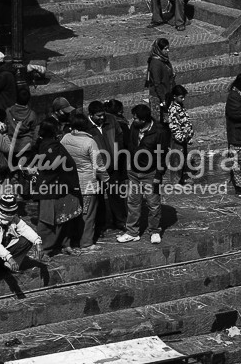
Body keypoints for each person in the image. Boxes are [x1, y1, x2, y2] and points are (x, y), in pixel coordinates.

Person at [0, 185, 49, 298]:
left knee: (27, 240)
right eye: (7, 214)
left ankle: (5, 266)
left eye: (12, 214)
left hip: (4, 247)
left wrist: (38, 242)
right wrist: (9, 257)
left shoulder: (12, 216)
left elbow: (24, 228)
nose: (10, 216)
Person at [117, 103, 170, 244]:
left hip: (150, 173)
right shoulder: (134, 127)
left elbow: (163, 155)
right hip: (134, 171)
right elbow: (130, 145)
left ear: (144, 119)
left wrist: (159, 175)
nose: (133, 120)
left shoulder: (159, 132)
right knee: (133, 202)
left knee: (153, 204)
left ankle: (155, 231)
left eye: (136, 118)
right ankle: (132, 232)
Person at [27, 120, 82, 254]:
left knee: (63, 217)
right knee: (48, 220)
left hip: (55, 186)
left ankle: (63, 245)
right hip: (54, 187)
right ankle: (44, 249)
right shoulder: (51, 146)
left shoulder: (45, 145)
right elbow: (57, 166)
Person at [57, 103, 104, 248]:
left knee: (73, 212)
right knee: (88, 214)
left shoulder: (65, 138)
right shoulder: (90, 142)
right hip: (88, 184)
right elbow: (98, 165)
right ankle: (86, 243)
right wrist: (106, 180)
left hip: (71, 182)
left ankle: (72, 239)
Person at [163, 85, 193, 183]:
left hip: (183, 137)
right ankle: (175, 182)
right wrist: (181, 137)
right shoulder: (173, 109)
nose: (183, 99)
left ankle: (181, 178)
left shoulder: (180, 106)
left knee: (182, 158)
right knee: (177, 160)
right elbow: (174, 126)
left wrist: (188, 134)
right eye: (181, 97)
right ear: (175, 96)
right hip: (178, 139)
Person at [144, 37, 176, 119]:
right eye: (165, 49)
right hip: (159, 96)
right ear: (159, 49)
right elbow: (157, 83)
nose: (168, 50)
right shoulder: (156, 63)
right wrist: (163, 99)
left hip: (167, 93)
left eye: (168, 48)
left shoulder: (164, 59)